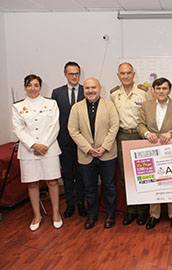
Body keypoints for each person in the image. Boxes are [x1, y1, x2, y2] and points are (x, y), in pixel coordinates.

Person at [12, 74, 62, 231]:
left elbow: (55, 126)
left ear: (40, 87)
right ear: (25, 87)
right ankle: (37, 215)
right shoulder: (18, 107)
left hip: (49, 148)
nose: (32, 88)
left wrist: (44, 145)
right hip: (29, 151)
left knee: (52, 182)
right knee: (32, 183)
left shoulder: (51, 103)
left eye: (35, 85)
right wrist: (34, 145)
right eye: (29, 85)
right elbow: (17, 129)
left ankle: (56, 214)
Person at [68, 78, 119, 229]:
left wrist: (104, 147)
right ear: (84, 90)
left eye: (93, 87)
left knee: (109, 186)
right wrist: (88, 148)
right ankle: (92, 215)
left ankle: (110, 214)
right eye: (87, 88)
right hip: (86, 155)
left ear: (99, 88)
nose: (90, 91)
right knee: (89, 187)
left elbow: (114, 126)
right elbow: (73, 130)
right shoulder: (76, 108)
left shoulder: (109, 105)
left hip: (107, 154)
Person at [137, 77, 172, 230]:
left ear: (169, 90)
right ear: (153, 90)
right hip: (151, 148)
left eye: (164, 88)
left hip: (170, 147)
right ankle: (154, 215)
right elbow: (140, 124)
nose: (161, 91)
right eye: (158, 89)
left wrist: (171, 132)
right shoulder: (146, 105)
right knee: (153, 182)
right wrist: (146, 134)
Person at [110, 62, 153, 226]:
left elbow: (150, 113)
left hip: (140, 136)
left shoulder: (143, 92)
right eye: (122, 73)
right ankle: (131, 210)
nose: (126, 76)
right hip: (122, 137)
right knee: (125, 176)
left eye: (128, 73)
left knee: (142, 175)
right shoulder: (114, 94)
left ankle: (142, 211)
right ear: (118, 76)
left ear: (133, 74)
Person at [51, 61, 87, 218]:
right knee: (66, 173)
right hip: (64, 141)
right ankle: (70, 203)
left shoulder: (86, 91)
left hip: (82, 140)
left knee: (81, 173)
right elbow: (53, 118)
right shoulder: (57, 93)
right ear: (65, 74)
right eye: (71, 73)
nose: (74, 76)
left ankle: (81, 203)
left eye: (77, 73)